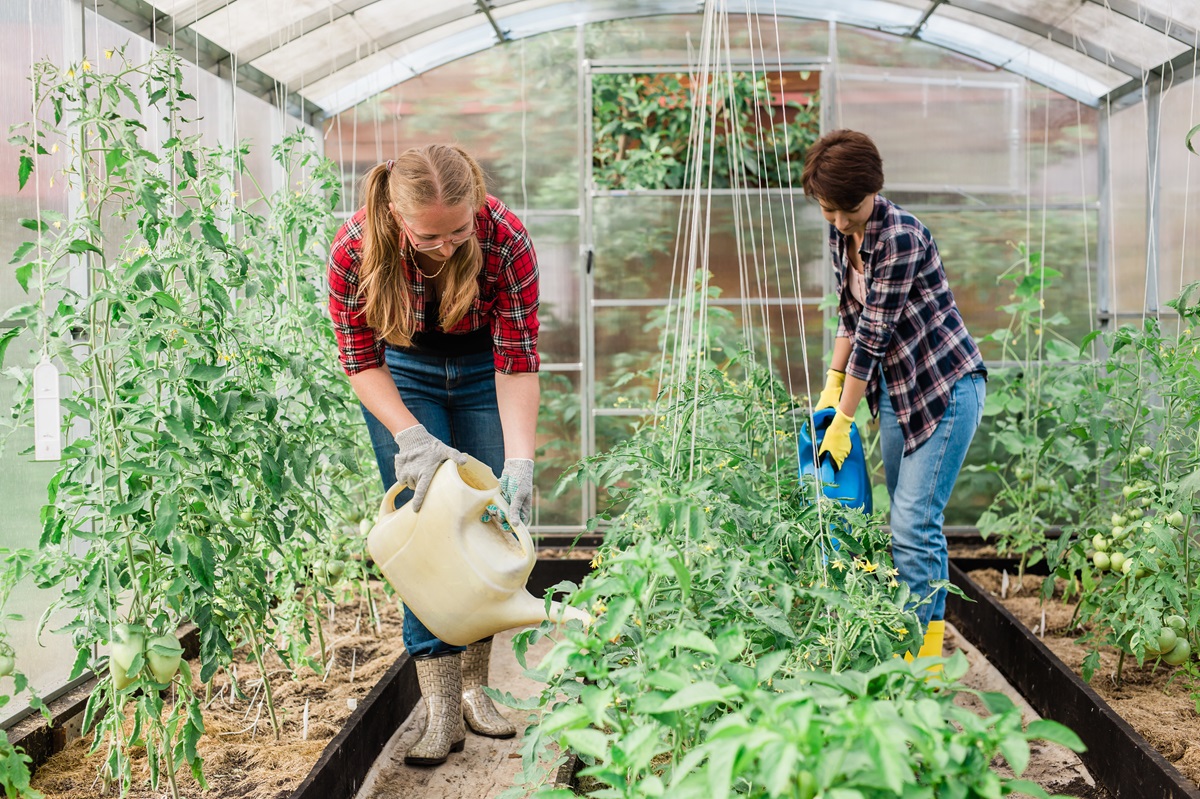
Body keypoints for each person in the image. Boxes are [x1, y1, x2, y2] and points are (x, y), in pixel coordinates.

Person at [327, 144, 540, 765]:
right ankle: (440, 704)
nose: (447, 246)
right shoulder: (353, 250)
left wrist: (519, 464)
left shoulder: (504, 239)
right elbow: (359, 359)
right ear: (395, 215)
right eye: (429, 236)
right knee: (426, 526)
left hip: (484, 369)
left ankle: (476, 688)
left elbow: (518, 359)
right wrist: (411, 437)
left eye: (458, 230)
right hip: (404, 374)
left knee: (486, 524)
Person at [802, 129, 986, 662]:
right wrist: (831, 386)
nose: (838, 220)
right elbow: (848, 317)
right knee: (901, 526)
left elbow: (875, 333)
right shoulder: (845, 235)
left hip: (944, 390)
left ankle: (922, 661)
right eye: (827, 209)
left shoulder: (900, 235)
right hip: (896, 396)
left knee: (912, 526)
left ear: (873, 189)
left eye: (848, 207)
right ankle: (908, 647)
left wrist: (844, 414)